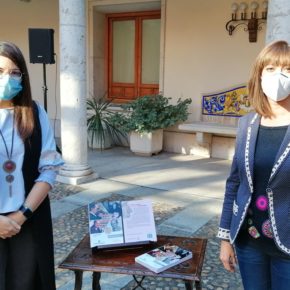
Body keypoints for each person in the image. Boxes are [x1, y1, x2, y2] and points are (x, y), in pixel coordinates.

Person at [218, 40, 290, 290]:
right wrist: (226, 238)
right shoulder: (247, 124)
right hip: (249, 242)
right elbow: (235, 184)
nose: (278, 76)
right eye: (270, 69)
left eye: (287, 70)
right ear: (259, 75)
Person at [0, 41, 63, 290]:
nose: (8, 78)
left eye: (15, 72)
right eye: (0, 71)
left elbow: (48, 169)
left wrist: (21, 215)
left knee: (26, 282)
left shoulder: (34, 113)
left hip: (26, 221)